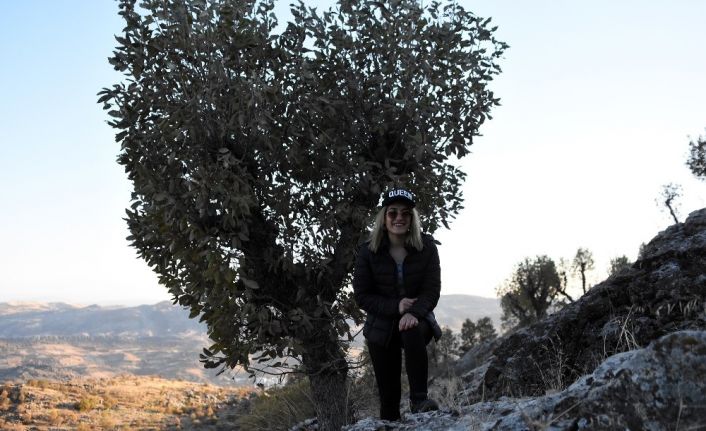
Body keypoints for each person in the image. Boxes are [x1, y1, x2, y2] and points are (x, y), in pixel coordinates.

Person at [353, 187, 442, 421]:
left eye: (405, 213)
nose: (399, 218)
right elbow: (362, 295)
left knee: (410, 328)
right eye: (393, 213)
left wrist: (412, 312)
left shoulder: (427, 248)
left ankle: (419, 400)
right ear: (384, 218)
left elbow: (431, 290)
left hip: (417, 319)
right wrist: (396, 307)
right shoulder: (367, 252)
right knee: (389, 400)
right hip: (381, 326)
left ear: (413, 219)